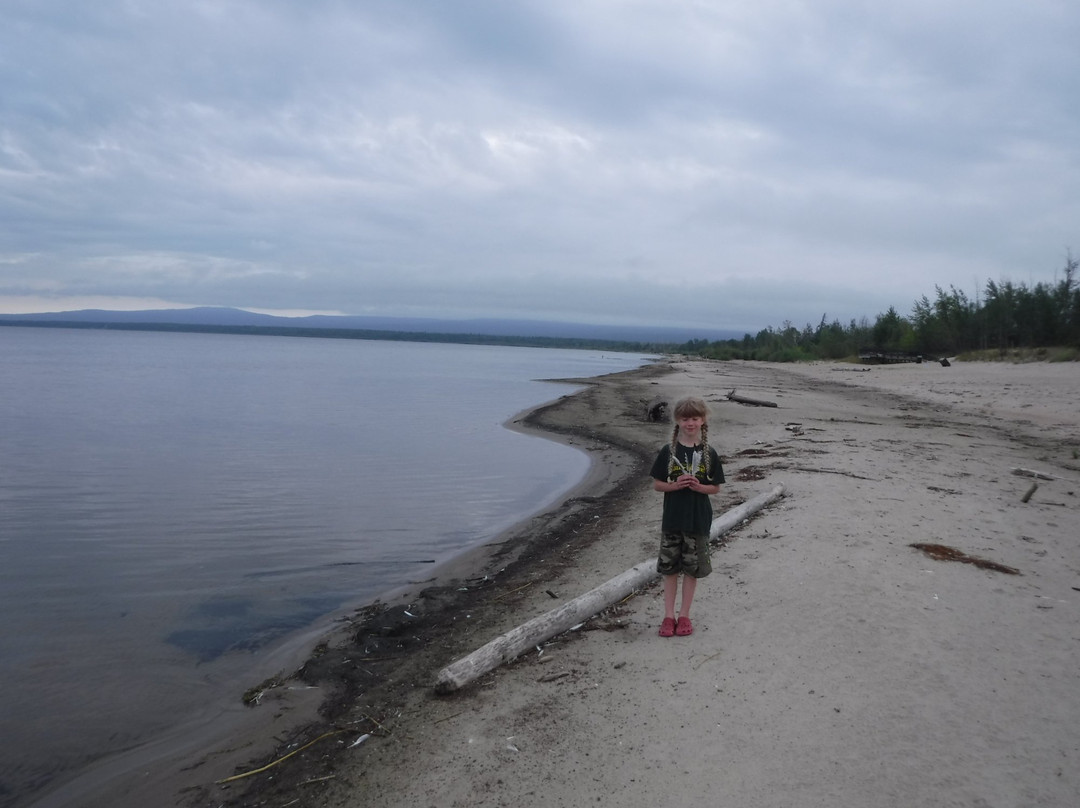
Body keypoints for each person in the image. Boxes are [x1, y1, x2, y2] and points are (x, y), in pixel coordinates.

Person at [650, 396, 724, 637]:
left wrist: (698, 487)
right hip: (672, 519)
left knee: (692, 570)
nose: (690, 423)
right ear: (677, 421)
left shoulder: (709, 453)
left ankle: (684, 615)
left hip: (698, 519)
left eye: (695, 418)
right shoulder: (668, 451)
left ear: (702, 421)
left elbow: (715, 488)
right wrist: (677, 485)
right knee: (670, 569)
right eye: (685, 419)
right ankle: (668, 616)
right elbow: (658, 485)